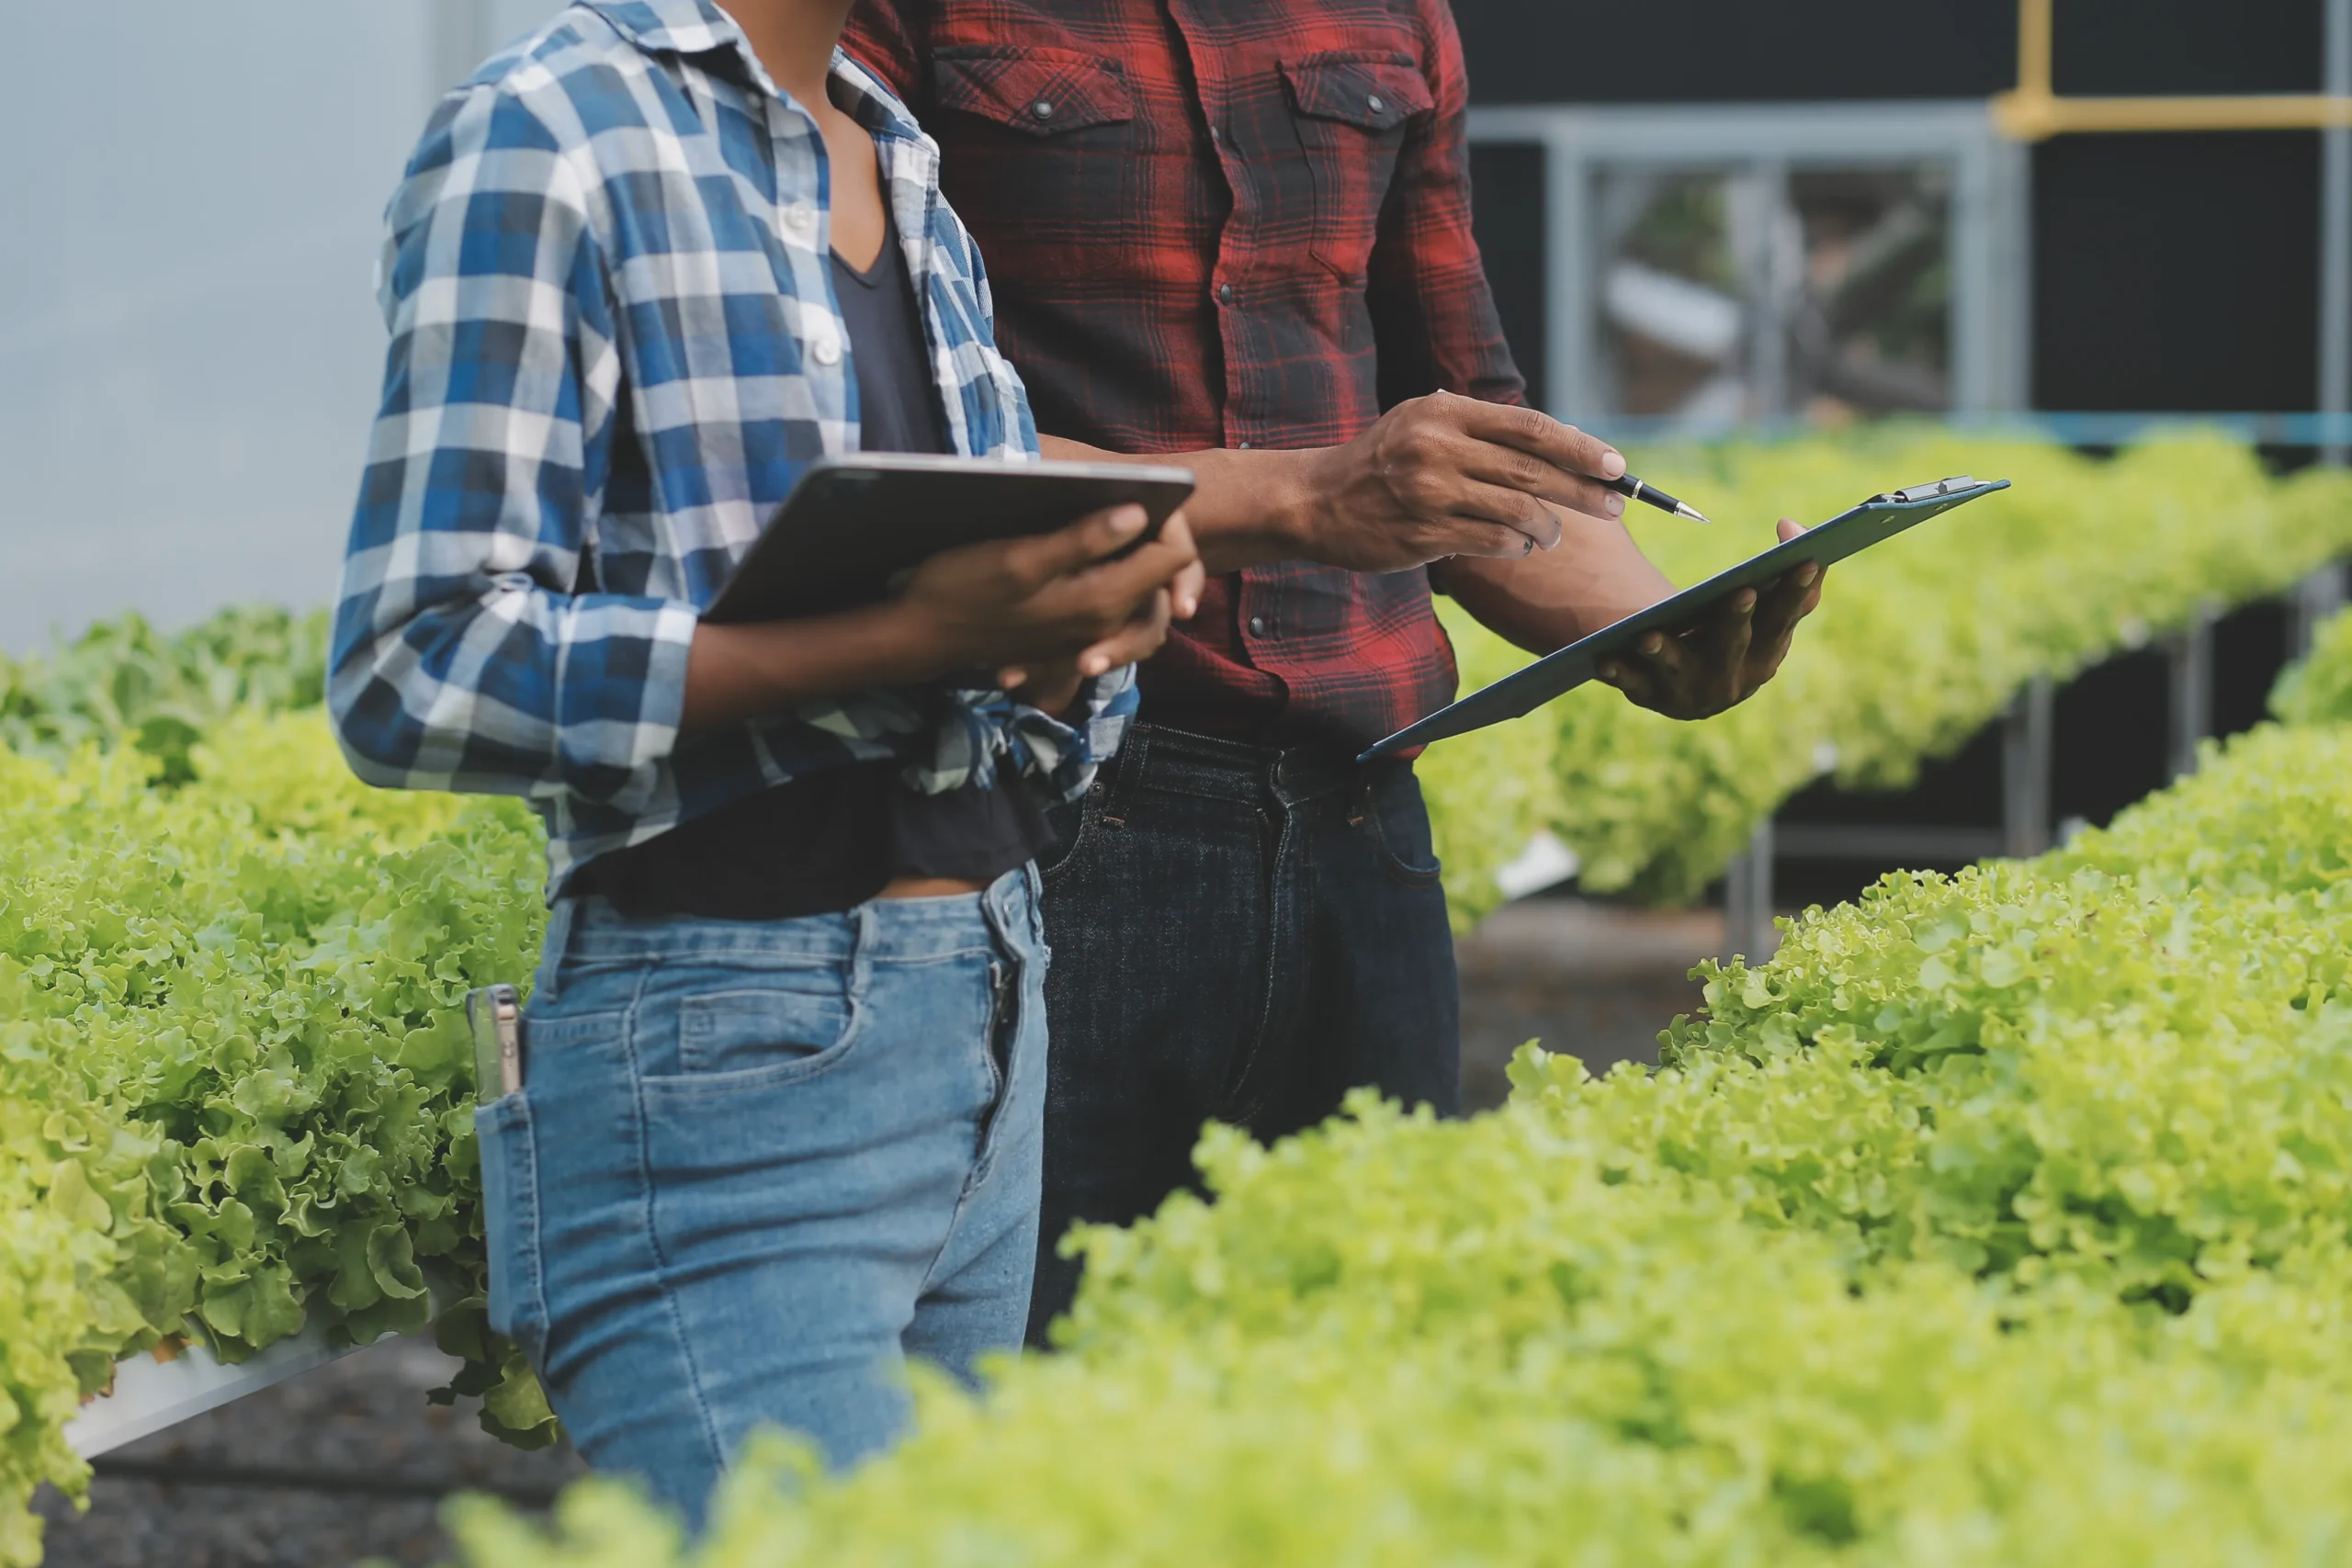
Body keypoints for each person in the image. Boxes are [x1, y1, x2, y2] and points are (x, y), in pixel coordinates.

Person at [328, 0, 1203, 1525]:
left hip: (989, 1005)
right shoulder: (550, 131)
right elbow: (416, 663)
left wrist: (1070, 644)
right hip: (729, 1058)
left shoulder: (900, 157)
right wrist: (896, 638)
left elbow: (978, 677)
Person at [842, 0, 1826, 1339]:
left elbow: (1471, 454)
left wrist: (1659, 626)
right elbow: (896, 441)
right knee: (1042, 1382)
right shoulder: (906, 15)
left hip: (1362, 833)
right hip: (1058, 817)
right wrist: (1307, 493)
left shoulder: (1392, 19)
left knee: (1360, 1364)